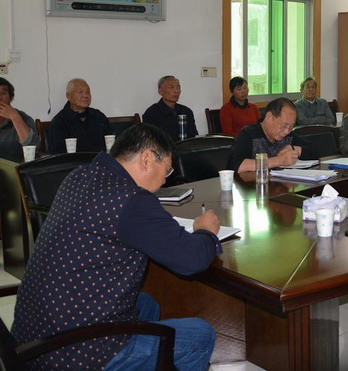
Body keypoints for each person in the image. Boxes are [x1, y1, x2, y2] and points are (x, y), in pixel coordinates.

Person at [12, 123, 221, 369]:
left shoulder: (80, 175)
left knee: (146, 304)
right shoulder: (131, 199)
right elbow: (192, 259)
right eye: (167, 169)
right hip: (72, 354)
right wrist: (205, 231)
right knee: (200, 336)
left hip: (31, 339)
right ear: (147, 159)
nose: (166, 179)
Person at [227, 97, 315, 173]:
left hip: (280, 184)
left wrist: (294, 149)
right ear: (269, 117)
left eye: (291, 127)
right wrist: (279, 161)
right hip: (254, 185)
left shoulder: (288, 135)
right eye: (284, 126)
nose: (286, 131)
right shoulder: (248, 134)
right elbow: (237, 165)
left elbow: (314, 151)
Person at [47, 78, 112, 153]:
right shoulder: (59, 122)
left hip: (101, 159)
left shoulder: (98, 116)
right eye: (80, 92)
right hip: (74, 160)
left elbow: (112, 143)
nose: (85, 95)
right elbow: (57, 152)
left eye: (88, 92)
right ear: (68, 96)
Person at [142, 75, 198, 142]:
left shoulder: (186, 111)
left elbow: (194, 138)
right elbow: (151, 141)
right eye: (171, 87)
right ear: (160, 91)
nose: (176, 91)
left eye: (178, 87)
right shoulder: (152, 113)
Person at [0, 77, 39, 162]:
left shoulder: (24, 119)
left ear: (11, 98)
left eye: (3, 93)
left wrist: (15, 118)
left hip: (16, 168)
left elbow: (33, 150)